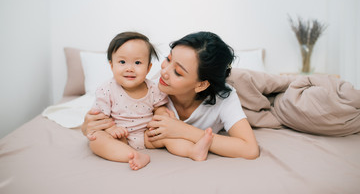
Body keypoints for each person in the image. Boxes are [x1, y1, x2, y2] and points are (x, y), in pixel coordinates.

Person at [82, 31, 260, 161]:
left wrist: (184, 131)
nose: (164, 71)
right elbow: (112, 113)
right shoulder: (150, 85)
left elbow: (249, 148)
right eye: (168, 59)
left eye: (177, 72)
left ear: (201, 84)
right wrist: (88, 126)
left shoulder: (223, 99)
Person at [88, 32, 216, 171]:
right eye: (122, 62)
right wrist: (112, 129)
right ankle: (132, 155)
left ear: (148, 68)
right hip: (119, 136)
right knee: (96, 140)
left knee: (168, 137)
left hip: (147, 135)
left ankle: (193, 151)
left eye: (137, 63)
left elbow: (159, 107)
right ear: (112, 65)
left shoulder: (153, 88)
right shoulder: (106, 90)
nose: (129, 68)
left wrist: (161, 116)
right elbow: (101, 118)